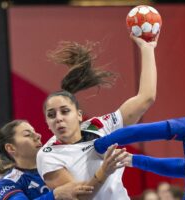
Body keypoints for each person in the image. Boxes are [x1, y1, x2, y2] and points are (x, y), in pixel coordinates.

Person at [36, 33, 159, 200]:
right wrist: (104, 171)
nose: (58, 118)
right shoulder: (48, 155)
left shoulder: (99, 126)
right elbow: (78, 197)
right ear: (47, 123)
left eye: (65, 111)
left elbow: (146, 98)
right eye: (51, 115)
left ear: (79, 115)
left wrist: (147, 48)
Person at [0, 120, 95, 200]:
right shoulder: (8, 182)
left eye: (35, 132)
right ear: (11, 148)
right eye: (27, 134)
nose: (38, 136)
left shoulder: (58, 162)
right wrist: (55, 194)